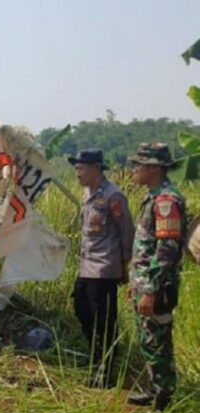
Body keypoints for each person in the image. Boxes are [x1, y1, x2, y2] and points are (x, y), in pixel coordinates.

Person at [127, 143, 187, 411]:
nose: (134, 170)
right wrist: (136, 284)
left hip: (159, 288)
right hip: (145, 285)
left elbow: (166, 250)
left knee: (158, 345)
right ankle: (154, 390)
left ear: (154, 168)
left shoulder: (166, 201)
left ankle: (162, 405)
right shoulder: (153, 197)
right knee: (148, 341)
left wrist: (150, 289)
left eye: (138, 164)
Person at [69, 150, 134, 388]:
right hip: (87, 266)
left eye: (81, 169)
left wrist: (125, 265)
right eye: (76, 169)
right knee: (81, 309)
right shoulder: (88, 195)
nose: (78, 173)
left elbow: (126, 232)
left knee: (104, 320)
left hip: (105, 268)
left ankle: (106, 370)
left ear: (96, 169)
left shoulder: (113, 196)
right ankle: (98, 357)